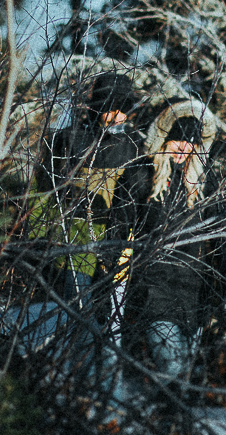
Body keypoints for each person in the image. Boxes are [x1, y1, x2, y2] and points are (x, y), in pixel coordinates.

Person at [110, 98, 226, 408]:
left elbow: (223, 240)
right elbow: (117, 232)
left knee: (185, 378)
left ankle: (164, 421)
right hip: (152, 289)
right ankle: (154, 415)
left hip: (193, 294)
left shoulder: (205, 182)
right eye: (177, 140)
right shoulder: (140, 175)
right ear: (164, 139)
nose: (184, 148)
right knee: (171, 367)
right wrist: (111, 280)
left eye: (191, 142)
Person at [37, 72, 145, 302]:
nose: (117, 117)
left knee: (108, 313)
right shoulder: (70, 138)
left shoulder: (136, 145)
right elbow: (44, 189)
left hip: (119, 245)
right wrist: (39, 237)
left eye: (123, 109)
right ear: (96, 108)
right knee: (78, 308)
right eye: (110, 109)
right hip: (77, 241)